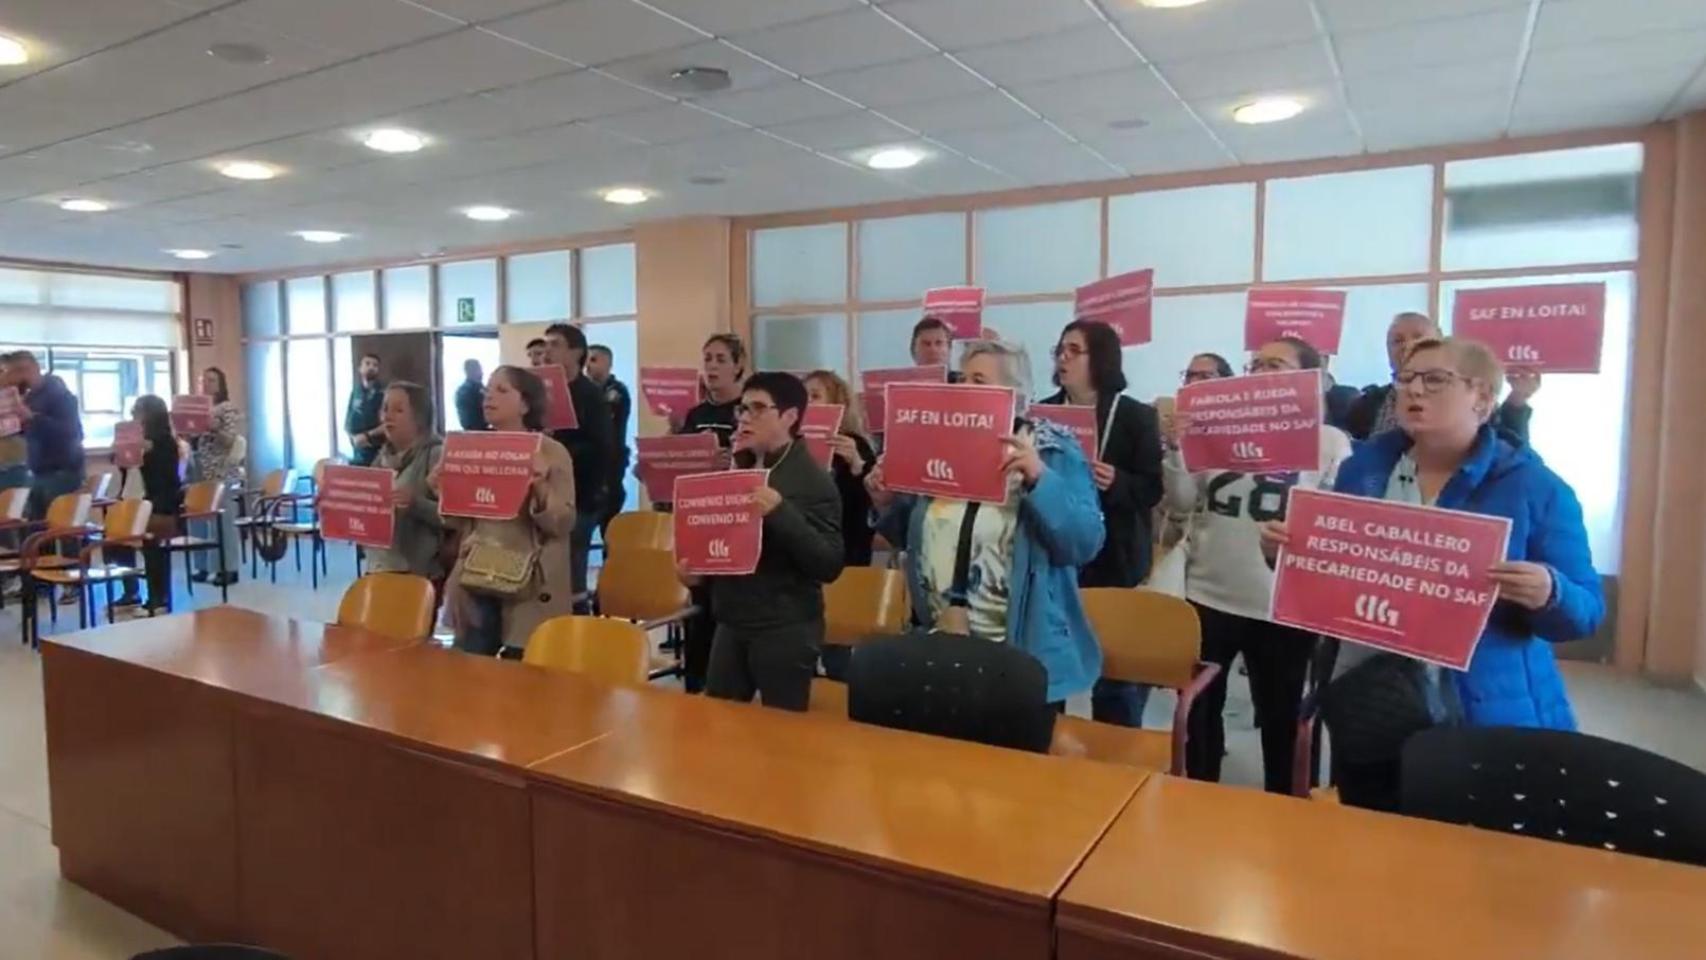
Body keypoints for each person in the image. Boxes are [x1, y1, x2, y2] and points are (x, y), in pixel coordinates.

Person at [1261, 337, 1603, 810]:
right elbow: (1331, 576)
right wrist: (1286, 554)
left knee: (1475, 854)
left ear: (1482, 399)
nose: (1413, 391)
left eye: (1435, 380)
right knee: (1374, 839)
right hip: (1368, 696)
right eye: (1405, 379)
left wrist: (1550, 591)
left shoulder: (1536, 488)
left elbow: (1585, 612)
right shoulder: (1364, 469)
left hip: (1479, 704)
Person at [868, 340, 1105, 707]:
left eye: (978, 379)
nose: (964, 388)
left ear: (1015, 394)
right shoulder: (937, 447)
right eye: (961, 378)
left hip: (1020, 653)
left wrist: (1039, 479)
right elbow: (911, 536)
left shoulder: (1052, 450)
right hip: (941, 640)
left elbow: (1084, 542)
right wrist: (886, 502)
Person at [1165, 337, 1352, 794]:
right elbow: (1183, 501)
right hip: (1209, 592)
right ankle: (1198, 799)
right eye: (1257, 364)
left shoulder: (1329, 441)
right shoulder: (1217, 429)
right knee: (1202, 712)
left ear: (1310, 379)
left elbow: (1338, 522)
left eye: (1277, 365)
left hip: (1283, 604)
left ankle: (1284, 811)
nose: (1262, 372)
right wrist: (1176, 450)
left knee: (1281, 715)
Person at [678, 372, 844, 711]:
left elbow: (828, 564)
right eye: (742, 409)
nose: (744, 418)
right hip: (731, 619)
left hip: (785, 625)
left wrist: (781, 512)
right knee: (719, 723)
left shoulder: (812, 480)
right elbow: (726, 547)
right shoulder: (735, 469)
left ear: (789, 417)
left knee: (780, 738)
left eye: (757, 409)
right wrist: (696, 575)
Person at [1038, 320, 1164, 727]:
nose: (1063, 358)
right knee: (1048, 663)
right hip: (1058, 554)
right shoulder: (1043, 412)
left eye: (1074, 350)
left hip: (1116, 555)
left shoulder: (1135, 416)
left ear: (1102, 359)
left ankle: (1117, 760)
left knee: (1115, 680)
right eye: (1059, 349)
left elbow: (1152, 489)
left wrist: (1118, 482)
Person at [433, 366, 576, 658]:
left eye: (502, 390)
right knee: (471, 676)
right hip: (477, 573)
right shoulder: (474, 448)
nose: (488, 397)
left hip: (530, 581)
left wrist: (540, 488)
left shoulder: (551, 451)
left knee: (521, 681)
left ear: (525, 404)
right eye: (487, 390)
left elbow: (562, 523)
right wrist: (443, 490)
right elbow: (459, 521)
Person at [668, 333, 747, 692]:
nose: (711, 366)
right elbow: (683, 463)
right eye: (707, 359)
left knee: (727, 607)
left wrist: (733, 461)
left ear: (738, 366)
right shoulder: (696, 414)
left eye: (719, 359)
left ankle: (730, 683)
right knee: (699, 605)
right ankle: (696, 683)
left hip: (734, 520)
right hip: (699, 519)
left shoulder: (748, 410)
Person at [1344, 312, 1539, 442]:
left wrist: (1517, 401)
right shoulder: (1367, 404)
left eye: (1418, 337)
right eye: (1397, 341)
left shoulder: (1471, 396)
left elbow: (1511, 449)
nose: (1408, 346)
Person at [802, 370, 878, 681]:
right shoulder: (794, 447)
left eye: (816, 396)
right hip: (806, 552)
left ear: (838, 404)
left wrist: (858, 467)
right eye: (804, 396)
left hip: (846, 552)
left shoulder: (855, 444)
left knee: (836, 644)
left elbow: (871, 506)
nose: (808, 403)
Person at [542, 323, 612, 607]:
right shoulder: (541, 393)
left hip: (581, 494)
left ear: (576, 353)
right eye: (545, 344)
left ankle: (579, 627)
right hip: (547, 493)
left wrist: (558, 449)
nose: (547, 351)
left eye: (555, 344)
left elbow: (602, 446)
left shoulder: (590, 395)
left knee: (572, 569)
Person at [112, 395, 182, 616]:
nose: (134, 414)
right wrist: (121, 453)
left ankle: (158, 598)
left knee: (153, 548)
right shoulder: (132, 438)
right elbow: (125, 468)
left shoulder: (165, 442)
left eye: (139, 410)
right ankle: (130, 591)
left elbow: (166, 476)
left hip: (157, 503)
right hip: (131, 497)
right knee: (115, 541)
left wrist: (148, 451)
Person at [369, 381, 445, 582]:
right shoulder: (381, 458)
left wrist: (415, 504)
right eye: (385, 409)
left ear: (419, 418)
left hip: (419, 573)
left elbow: (452, 518)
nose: (388, 416)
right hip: (379, 567)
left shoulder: (437, 454)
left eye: (398, 410)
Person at [9, 351, 84, 519]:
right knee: (35, 528)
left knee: (61, 529)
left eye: (24, 369)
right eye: (15, 371)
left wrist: (33, 418)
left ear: (36, 367)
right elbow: (32, 433)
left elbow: (72, 433)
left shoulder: (61, 395)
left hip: (61, 471)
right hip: (37, 471)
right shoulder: (27, 398)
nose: (21, 376)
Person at [188, 366, 243, 587]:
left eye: (211, 380)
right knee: (198, 521)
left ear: (220, 384)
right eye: (204, 380)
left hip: (221, 471)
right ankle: (202, 566)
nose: (207, 384)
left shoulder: (226, 409)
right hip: (199, 470)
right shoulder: (198, 408)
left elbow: (231, 440)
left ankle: (228, 568)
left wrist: (213, 428)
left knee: (223, 522)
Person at [586, 344, 632, 536]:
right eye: (587, 360)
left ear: (608, 363)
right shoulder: (585, 391)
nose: (588, 365)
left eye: (594, 360)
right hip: (590, 467)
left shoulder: (616, 392)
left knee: (610, 531)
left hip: (611, 467)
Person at [345, 352, 385, 467]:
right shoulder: (356, 392)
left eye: (375, 365)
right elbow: (348, 419)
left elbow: (388, 424)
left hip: (377, 450)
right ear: (360, 368)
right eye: (367, 364)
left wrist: (367, 436)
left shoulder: (383, 393)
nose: (371, 367)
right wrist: (353, 437)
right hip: (357, 449)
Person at [910, 316, 963, 383]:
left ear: (949, 349)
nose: (933, 350)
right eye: (926, 344)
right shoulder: (901, 385)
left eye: (939, 343)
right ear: (913, 351)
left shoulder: (964, 383)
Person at [454, 359, 487, 431]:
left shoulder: (479, 387)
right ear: (470, 371)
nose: (482, 373)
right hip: (476, 431)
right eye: (479, 369)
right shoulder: (467, 390)